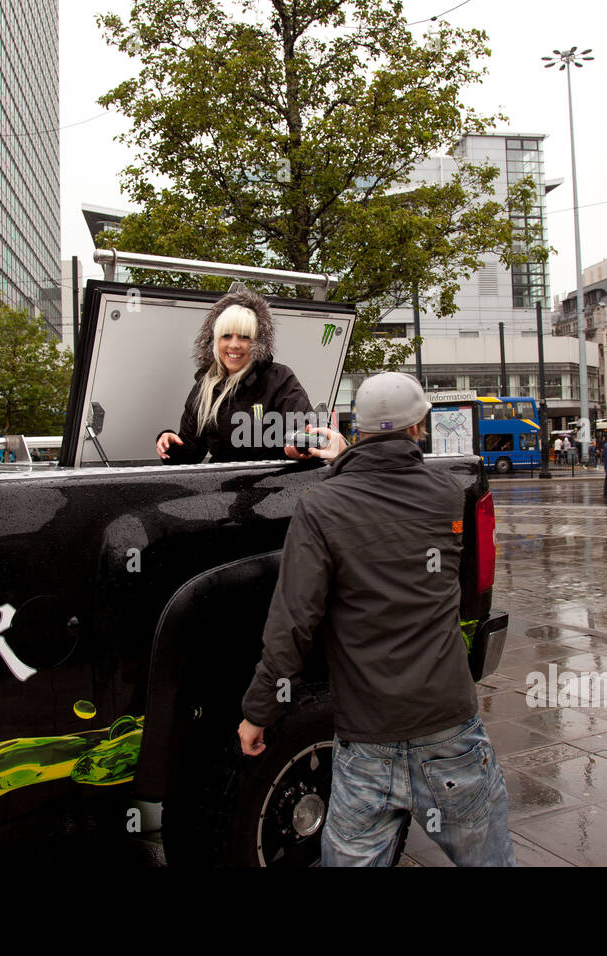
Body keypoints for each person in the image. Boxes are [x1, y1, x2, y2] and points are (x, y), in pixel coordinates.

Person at [238, 372, 516, 867]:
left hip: (367, 734)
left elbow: (292, 622)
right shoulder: (448, 494)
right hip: (449, 723)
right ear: (419, 427)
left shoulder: (322, 505)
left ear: (356, 429)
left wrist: (260, 710)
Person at [156, 288, 314, 464]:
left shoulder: (279, 379)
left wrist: (301, 448)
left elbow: (306, 433)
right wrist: (169, 443)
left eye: (244, 337)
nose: (234, 345)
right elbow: (189, 456)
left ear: (257, 343)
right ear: (215, 341)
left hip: (274, 486)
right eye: (226, 336)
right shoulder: (204, 388)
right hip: (223, 486)